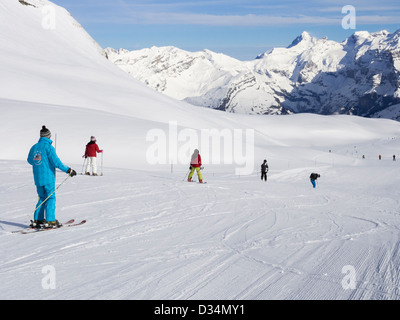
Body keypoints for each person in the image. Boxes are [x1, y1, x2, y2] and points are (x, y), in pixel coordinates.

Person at [27, 126, 77, 228]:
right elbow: (56, 162)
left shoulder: (34, 147)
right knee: (50, 198)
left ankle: (38, 219)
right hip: (48, 177)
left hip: (37, 178)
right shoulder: (49, 147)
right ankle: (50, 220)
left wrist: (38, 163)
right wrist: (68, 170)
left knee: (42, 198)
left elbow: (30, 160)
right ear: (48, 136)